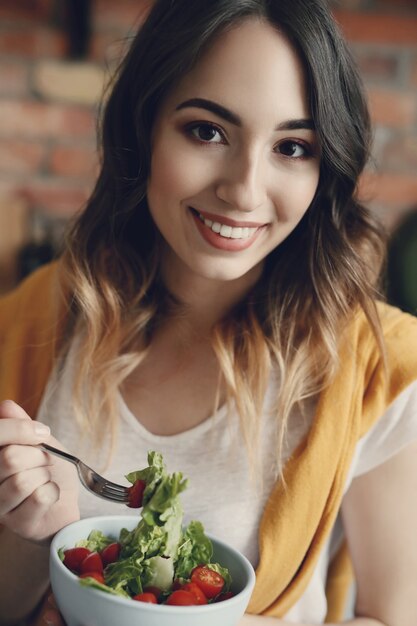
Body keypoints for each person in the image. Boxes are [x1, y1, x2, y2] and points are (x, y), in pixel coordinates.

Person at [0, 0, 416, 624]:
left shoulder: (379, 366)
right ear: (142, 130)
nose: (245, 190)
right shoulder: (41, 313)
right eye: (207, 131)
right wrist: (36, 535)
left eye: (293, 146)